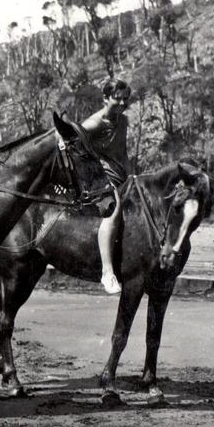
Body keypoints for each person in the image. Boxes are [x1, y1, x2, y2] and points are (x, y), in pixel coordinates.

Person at [82, 78, 132, 295]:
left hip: (122, 176)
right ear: (105, 98)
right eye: (117, 99)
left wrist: (132, 177)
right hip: (100, 180)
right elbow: (64, 138)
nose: (122, 104)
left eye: (125, 100)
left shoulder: (124, 121)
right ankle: (107, 272)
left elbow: (123, 152)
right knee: (114, 211)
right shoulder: (94, 123)